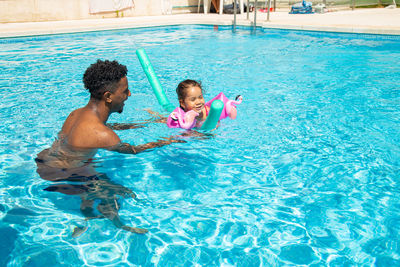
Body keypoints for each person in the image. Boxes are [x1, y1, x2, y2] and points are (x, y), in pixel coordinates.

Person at [36, 59, 182, 235]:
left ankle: (86, 212)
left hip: (48, 162)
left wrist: (145, 123)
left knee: (101, 179)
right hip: (65, 176)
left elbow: (103, 127)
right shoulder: (103, 135)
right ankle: (117, 226)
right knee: (119, 195)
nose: (129, 94)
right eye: (125, 91)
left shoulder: (77, 114)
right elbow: (133, 151)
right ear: (108, 96)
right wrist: (170, 140)